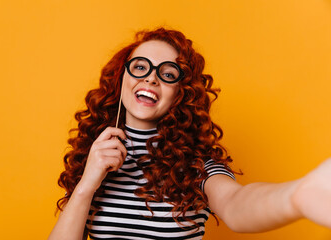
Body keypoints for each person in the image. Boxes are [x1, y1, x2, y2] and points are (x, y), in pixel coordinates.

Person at [48, 28, 331, 240]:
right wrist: (87, 185)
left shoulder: (195, 165)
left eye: (168, 73)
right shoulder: (93, 156)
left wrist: (297, 196)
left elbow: (236, 203)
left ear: (180, 93)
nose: (151, 78)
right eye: (140, 67)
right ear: (120, 77)